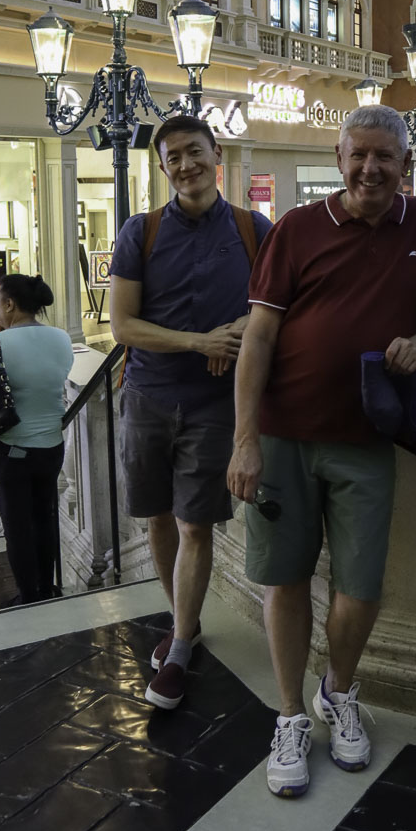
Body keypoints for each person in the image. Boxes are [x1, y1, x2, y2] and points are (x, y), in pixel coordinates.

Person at [227, 105, 416, 799]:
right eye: (358, 155)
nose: (370, 168)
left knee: (361, 588)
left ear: (406, 165)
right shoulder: (297, 228)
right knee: (285, 579)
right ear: (338, 160)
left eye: (384, 156)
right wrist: (245, 440)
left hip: (366, 437)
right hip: (283, 435)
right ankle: (290, 716)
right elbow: (259, 337)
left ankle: (337, 690)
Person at [110, 114, 271, 711]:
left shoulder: (255, 229)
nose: (185, 165)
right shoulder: (141, 231)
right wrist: (200, 342)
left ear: (216, 154)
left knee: (195, 524)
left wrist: (237, 329)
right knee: (157, 517)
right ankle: (186, 620)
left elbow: (281, 305)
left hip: (215, 403)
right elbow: (123, 325)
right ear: (162, 167)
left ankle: (179, 646)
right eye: (172, 157)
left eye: (193, 152)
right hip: (148, 395)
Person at [0, 275, 73, 605]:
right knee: (45, 518)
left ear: (9, 304)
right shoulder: (62, 338)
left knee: (17, 526)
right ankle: (47, 588)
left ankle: (28, 595)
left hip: (12, 451)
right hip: (52, 447)